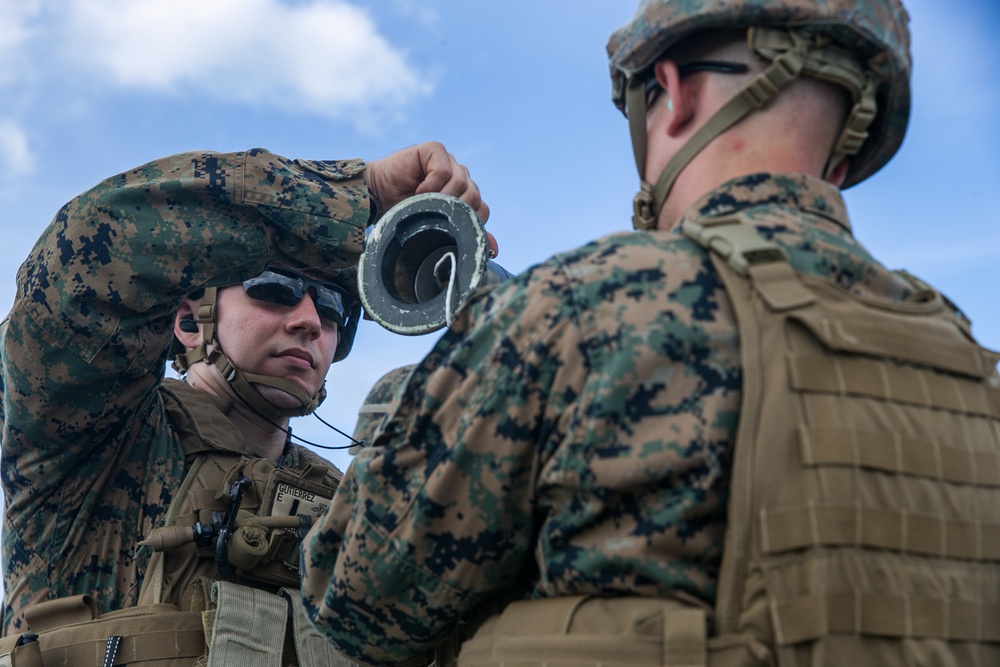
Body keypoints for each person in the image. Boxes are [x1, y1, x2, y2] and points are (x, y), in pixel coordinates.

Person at [300, 1, 1000, 666]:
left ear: (673, 90)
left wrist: (417, 390)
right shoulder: (973, 369)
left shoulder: (575, 307)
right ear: (846, 152)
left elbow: (350, 599)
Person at [0, 142, 489, 665]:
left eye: (330, 309)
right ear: (189, 323)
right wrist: (358, 192)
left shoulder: (345, 501)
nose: (308, 322)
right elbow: (91, 243)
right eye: (274, 290)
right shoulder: (100, 435)